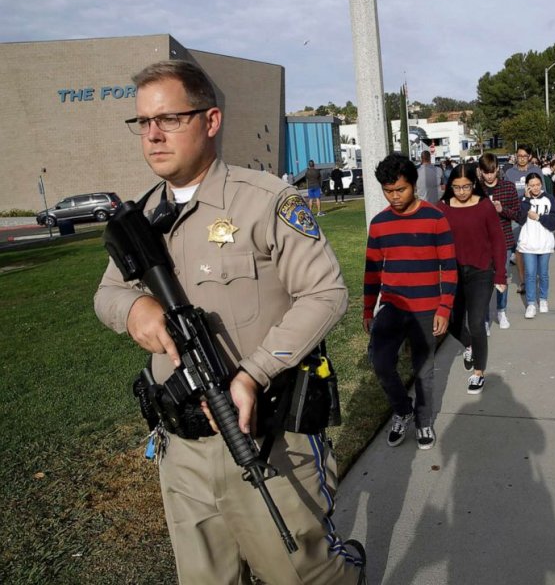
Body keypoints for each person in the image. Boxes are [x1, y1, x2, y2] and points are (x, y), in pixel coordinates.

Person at [94, 60, 365, 585]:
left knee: (304, 576)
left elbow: (325, 293)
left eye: (169, 119)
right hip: (184, 453)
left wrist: (252, 373)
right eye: (142, 122)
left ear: (211, 120)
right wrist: (133, 309)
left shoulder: (266, 201)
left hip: (267, 438)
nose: (152, 135)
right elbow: (107, 292)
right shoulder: (142, 217)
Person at [364, 154, 457, 450]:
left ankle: (424, 420)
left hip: (427, 308)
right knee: (380, 363)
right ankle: (403, 410)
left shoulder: (435, 218)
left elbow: (450, 266)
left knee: (424, 371)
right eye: (387, 191)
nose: (394, 196)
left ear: (414, 185)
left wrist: (444, 307)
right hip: (392, 307)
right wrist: (368, 309)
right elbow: (372, 270)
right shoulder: (379, 224)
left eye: (400, 189)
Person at [440, 164, 507, 395]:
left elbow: (498, 241)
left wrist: (500, 274)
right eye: (456, 187)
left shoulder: (484, 205)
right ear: (450, 186)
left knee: (477, 322)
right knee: (450, 322)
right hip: (452, 273)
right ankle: (468, 344)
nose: (461, 191)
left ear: (474, 183)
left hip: (481, 271)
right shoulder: (442, 208)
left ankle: (479, 372)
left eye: (466, 186)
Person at [478, 152, 520, 331]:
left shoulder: (508, 187)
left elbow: (517, 213)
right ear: (480, 171)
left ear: (497, 169)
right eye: (486, 172)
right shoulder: (476, 190)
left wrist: (502, 209)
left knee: (501, 278)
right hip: (481, 242)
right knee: (484, 282)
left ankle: (501, 311)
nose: (489, 175)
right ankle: (485, 318)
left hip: (504, 240)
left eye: (492, 171)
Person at [516, 173, 555, 317]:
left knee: (543, 274)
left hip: (544, 242)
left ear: (541, 184)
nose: (535, 188)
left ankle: (543, 299)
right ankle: (530, 304)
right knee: (530, 274)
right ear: (527, 186)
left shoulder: (549, 198)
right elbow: (520, 219)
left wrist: (539, 217)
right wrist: (527, 200)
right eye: (532, 185)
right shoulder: (523, 200)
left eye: (538, 185)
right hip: (528, 243)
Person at [504, 144, 544, 294]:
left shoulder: (536, 171)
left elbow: (543, 194)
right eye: (519, 156)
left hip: (534, 215)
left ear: (529, 157)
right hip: (517, 215)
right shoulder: (509, 173)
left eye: (524, 156)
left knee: (535, 248)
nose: (521, 159)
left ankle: (536, 277)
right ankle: (523, 281)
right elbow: (507, 194)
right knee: (520, 250)